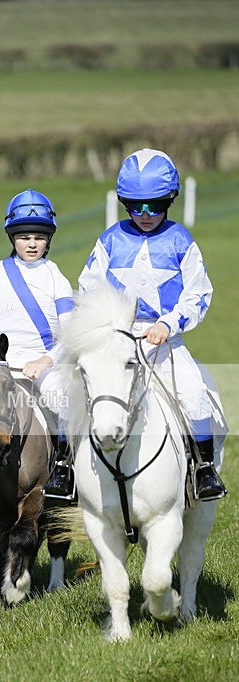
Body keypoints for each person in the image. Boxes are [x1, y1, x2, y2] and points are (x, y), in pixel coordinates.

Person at [79, 148, 227, 501]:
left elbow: (199, 293)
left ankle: (204, 469)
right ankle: (65, 468)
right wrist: (106, 326)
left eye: (155, 206)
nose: (145, 215)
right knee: (77, 396)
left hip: (164, 341)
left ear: (170, 201)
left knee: (194, 393)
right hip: (116, 340)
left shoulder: (181, 240)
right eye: (135, 206)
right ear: (124, 203)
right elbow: (87, 288)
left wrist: (168, 324)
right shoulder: (110, 239)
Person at [0, 189, 76, 501]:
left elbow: (70, 333)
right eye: (24, 237)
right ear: (12, 238)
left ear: (49, 239)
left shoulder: (57, 279)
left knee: (63, 397)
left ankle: (63, 468)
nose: (32, 244)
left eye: (39, 237)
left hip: (43, 366)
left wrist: (45, 361)